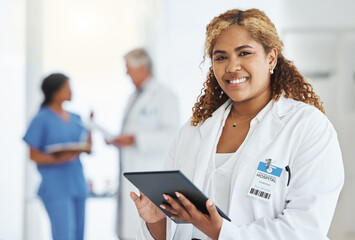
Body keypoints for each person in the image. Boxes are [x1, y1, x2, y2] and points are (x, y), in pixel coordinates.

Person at [130, 8, 344, 240]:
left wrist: (220, 232)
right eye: (220, 57)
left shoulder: (308, 127)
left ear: (271, 58)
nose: (232, 67)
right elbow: (173, 231)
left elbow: (306, 229)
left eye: (244, 53)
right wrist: (156, 221)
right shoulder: (194, 130)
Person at [106, 48, 180, 240]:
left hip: (149, 171)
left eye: (128, 68)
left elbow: (172, 134)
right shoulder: (134, 97)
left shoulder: (164, 95)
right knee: (130, 227)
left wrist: (135, 139)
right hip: (131, 169)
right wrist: (122, 139)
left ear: (142, 67)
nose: (126, 73)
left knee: (147, 228)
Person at [23, 73, 91, 240]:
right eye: (67, 87)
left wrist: (90, 127)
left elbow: (87, 147)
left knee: (79, 235)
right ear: (55, 91)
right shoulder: (41, 119)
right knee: (64, 236)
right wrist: (59, 159)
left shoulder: (76, 118)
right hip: (56, 187)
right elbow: (33, 154)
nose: (71, 91)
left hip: (78, 183)